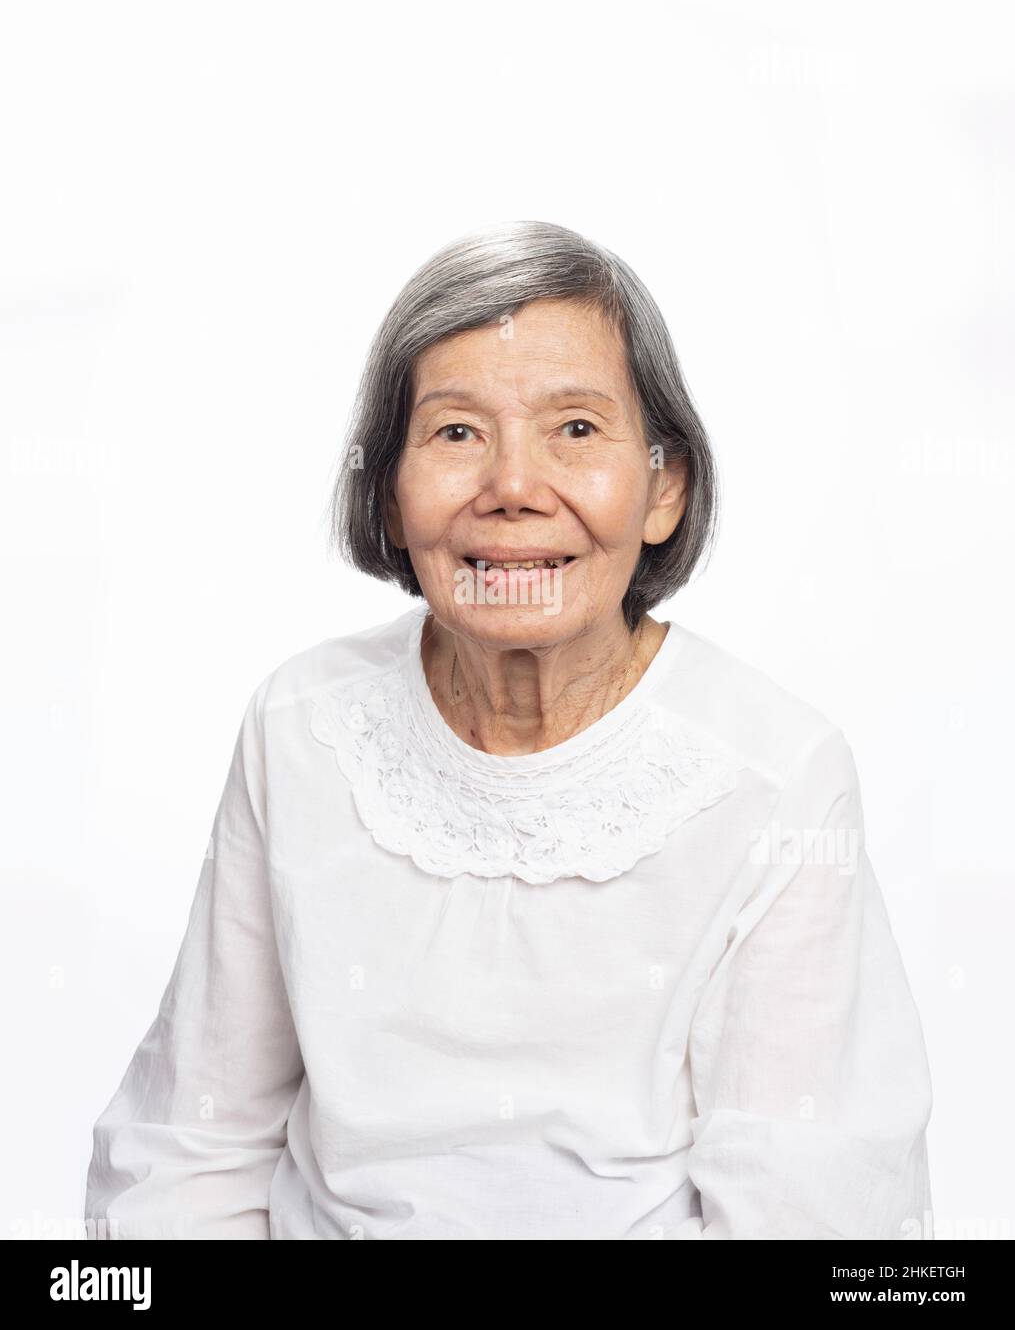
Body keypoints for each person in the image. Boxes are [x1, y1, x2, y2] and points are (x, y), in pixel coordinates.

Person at [85, 220, 933, 1240]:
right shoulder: (300, 727)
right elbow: (191, 1145)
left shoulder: (774, 775)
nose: (514, 489)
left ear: (664, 485)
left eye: (575, 429)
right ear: (389, 495)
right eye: (455, 433)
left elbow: (816, 1209)